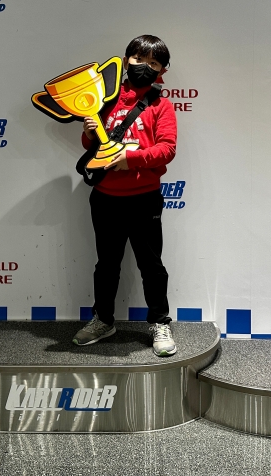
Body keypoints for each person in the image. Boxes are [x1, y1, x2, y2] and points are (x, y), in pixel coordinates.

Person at [72, 35, 178, 356]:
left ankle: (159, 322)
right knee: (106, 265)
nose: (144, 66)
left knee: (151, 265)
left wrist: (130, 159)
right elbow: (93, 146)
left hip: (144, 199)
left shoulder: (161, 105)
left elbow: (167, 149)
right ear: (125, 60)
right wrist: (89, 134)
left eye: (153, 63)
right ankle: (103, 320)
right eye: (139, 59)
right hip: (105, 197)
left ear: (162, 70)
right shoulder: (106, 99)